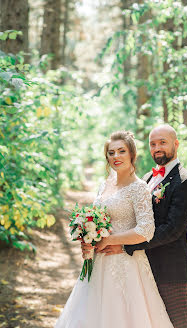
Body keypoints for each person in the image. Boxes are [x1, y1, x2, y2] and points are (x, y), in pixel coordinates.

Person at [55, 130, 174, 328]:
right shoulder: (104, 186)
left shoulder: (139, 188)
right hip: (98, 262)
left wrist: (109, 240)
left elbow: (146, 229)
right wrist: (88, 242)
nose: (116, 157)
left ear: (132, 154)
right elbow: (97, 222)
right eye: (111, 153)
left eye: (121, 151)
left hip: (127, 264)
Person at [93, 124, 187, 328]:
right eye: (153, 144)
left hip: (169, 268)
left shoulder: (185, 181)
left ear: (176, 144)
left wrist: (126, 246)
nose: (157, 147)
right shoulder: (147, 179)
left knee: (177, 323)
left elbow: (171, 230)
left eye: (162, 143)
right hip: (141, 266)